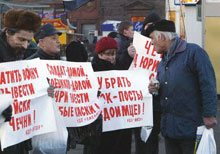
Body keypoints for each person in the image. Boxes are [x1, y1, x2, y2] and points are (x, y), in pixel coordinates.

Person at [147, 19, 217, 154]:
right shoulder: (161, 63)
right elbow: (167, 92)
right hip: (169, 130)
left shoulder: (194, 53)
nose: (151, 42)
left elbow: (208, 83)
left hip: (191, 128)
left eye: (152, 38)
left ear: (161, 37)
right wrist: (155, 91)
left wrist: (209, 114)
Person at [0, 9, 41, 154]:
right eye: (21, 40)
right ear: (7, 33)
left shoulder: (18, 52)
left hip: (16, 129)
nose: (25, 46)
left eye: (29, 41)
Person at [134, 12, 161, 154]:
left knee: (153, 135)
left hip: (155, 101)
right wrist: (128, 54)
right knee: (140, 137)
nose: (150, 29)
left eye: (153, 26)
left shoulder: (162, 46)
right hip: (138, 99)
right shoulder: (135, 44)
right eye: (148, 25)